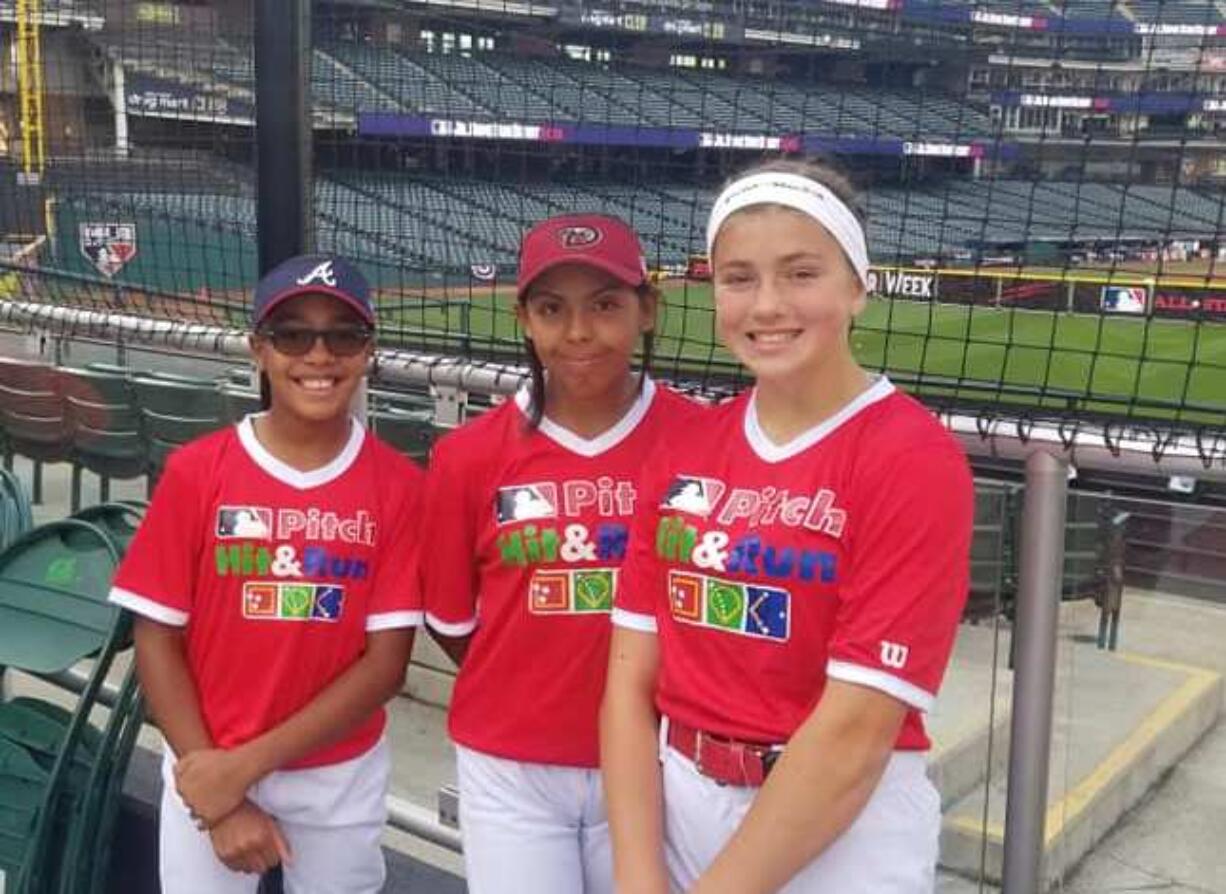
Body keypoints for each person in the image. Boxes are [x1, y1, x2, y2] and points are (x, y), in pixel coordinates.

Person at [601, 159, 974, 894]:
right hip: (680, 803)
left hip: (843, 825)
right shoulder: (685, 449)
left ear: (858, 286)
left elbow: (856, 729)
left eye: (801, 273)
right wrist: (638, 874)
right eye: (738, 278)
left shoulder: (911, 457)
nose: (766, 305)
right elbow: (626, 681)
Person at [109, 254, 423, 893]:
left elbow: (384, 666)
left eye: (343, 335)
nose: (318, 355)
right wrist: (216, 784)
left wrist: (243, 770)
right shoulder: (200, 472)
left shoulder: (400, 487)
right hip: (205, 754)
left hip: (336, 772)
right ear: (258, 350)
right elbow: (157, 638)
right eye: (292, 335)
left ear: (368, 352)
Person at [423, 213, 699, 893]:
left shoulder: (707, 442)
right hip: (511, 763)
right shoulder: (466, 456)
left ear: (648, 311)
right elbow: (452, 621)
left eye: (605, 305)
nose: (578, 333)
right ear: (524, 318)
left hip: (661, 762)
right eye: (553, 309)